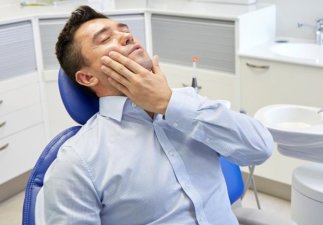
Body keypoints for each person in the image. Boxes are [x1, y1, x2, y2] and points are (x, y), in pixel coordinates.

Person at [35, 5, 273, 225]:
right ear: (87, 78)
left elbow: (261, 148)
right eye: (106, 39)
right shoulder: (77, 162)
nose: (127, 36)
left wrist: (169, 103)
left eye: (125, 30)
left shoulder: (189, 105)